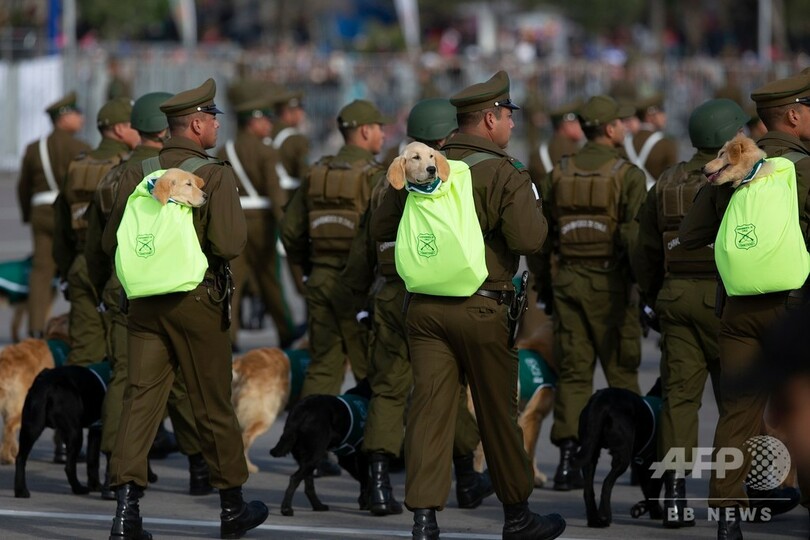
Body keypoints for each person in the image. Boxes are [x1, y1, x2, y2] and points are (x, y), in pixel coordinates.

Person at [372, 70, 565, 540]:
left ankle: (423, 518)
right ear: (491, 118)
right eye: (508, 117)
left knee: (429, 411)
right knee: (498, 412)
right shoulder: (505, 171)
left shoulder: (422, 162)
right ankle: (517, 517)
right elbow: (529, 238)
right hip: (482, 307)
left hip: (422, 308)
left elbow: (380, 225)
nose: (512, 126)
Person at [102, 78, 267, 540]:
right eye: (213, 118)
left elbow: (108, 239)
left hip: (143, 302)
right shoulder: (213, 173)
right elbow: (230, 243)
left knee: (141, 399)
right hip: (196, 299)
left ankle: (125, 514)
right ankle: (232, 507)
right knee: (211, 401)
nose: (216, 126)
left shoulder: (138, 172)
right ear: (196, 124)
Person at [342, 98, 493, 516]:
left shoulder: (385, 178)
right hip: (440, 294)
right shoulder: (451, 176)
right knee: (449, 388)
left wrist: (357, 300)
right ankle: (465, 477)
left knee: (388, 387)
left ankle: (376, 485)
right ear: (447, 136)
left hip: (390, 293)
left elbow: (366, 241)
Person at [679, 71, 810, 540]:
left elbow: (691, 236)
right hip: (794, 310)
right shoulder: (802, 167)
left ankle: (728, 517)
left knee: (737, 411)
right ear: (794, 116)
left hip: (737, 307)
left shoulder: (731, 164)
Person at [85, 91, 212, 500]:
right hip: (176, 288)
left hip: (127, 287)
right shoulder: (179, 175)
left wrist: (103, 284)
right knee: (181, 383)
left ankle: (115, 471)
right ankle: (198, 466)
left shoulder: (113, 176)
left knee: (130, 380)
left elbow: (97, 242)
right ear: (165, 130)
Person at [631, 98, 749, 527]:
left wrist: (650, 295)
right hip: (726, 298)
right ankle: (733, 499)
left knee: (679, 400)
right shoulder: (739, 176)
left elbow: (642, 246)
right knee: (735, 404)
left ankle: (676, 496)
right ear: (728, 138)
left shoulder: (666, 180)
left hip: (676, 299)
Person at [540, 95, 646, 491]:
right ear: (611, 128)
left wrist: (546, 288)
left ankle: (569, 460)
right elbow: (635, 239)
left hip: (567, 282)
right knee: (622, 373)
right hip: (612, 287)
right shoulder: (627, 175)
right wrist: (645, 289)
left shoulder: (558, 173)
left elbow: (543, 240)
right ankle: (636, 459)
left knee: (573, 373)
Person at [280, 99, 389, 397]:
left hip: (320, 280)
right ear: (365, 131)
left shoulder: (317, 172)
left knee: (324, 366)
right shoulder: (376, 177)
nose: (384, 135)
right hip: (361, 288)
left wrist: (309, 267)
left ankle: (306, 441)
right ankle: (372, 440)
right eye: (380, 128)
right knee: (372, 370)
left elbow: (290, 230)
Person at [53, 97, 140, 367]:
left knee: (83, 354)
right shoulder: (127, 167)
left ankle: (70, 406)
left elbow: (62, 226)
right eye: (136, 125)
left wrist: (67, 271)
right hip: (115, 270)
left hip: (80, 265)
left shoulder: (78, 165)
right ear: (120, 129)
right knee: (123, 359)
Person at [218, 95, 294, 350]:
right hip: (262, 223)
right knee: (271, 280)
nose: (270, 125)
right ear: (253, 122)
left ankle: (229, 336)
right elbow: (275, 193)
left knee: (232, 283)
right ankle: (286, 331)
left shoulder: (224, 150)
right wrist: (285, 226)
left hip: (234, 222)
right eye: (266, 120)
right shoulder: (266, 151)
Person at [17, 91, 90, 339]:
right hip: (68, 213)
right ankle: (76, 326)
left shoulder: (33, 148)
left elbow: (23, 186)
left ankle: (35, 328)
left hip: (40, 212)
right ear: (63, 117)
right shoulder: (80, 148)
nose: (81, 117)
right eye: (76, 113)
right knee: (75, 268)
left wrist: (28, 214)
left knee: (41, 271)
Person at [527, 99, 584, 192]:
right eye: (577, 121)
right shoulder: (577, 152)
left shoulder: (538, 153)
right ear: (565, 125)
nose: (581, 126)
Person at [624, 93, 678, 189]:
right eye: (661, 112)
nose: (664, 116)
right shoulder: (666, 144)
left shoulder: (625, 142)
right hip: (655, 201)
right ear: (650, 116)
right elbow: (672, 180)